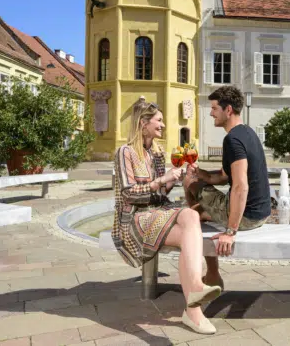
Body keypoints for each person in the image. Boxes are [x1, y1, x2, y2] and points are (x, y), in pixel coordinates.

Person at [112, 100, 221, 335]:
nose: (163, 125)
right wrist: (162, 180)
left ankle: (193, 305)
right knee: (188, 217)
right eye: (158, 120)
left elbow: (161, 193)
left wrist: (175, 179)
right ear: (144, 123)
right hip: (135, 219)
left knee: (191, 216)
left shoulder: (158, 153)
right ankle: (195, 299)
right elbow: (129, 194)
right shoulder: (125, 152)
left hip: (157, 212)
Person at [184, 86, 271, 288]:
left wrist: (230, 233)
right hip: (262, 213)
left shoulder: (232, 140)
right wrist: (202, 174)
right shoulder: (247, 132)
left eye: (214, 108)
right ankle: (201, 214)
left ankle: (197, 218)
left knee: (187, 182)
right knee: (194, 179)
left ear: (228, 110)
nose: (211, 112)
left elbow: (241, 186)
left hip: (247, 217)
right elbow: (224, 177)